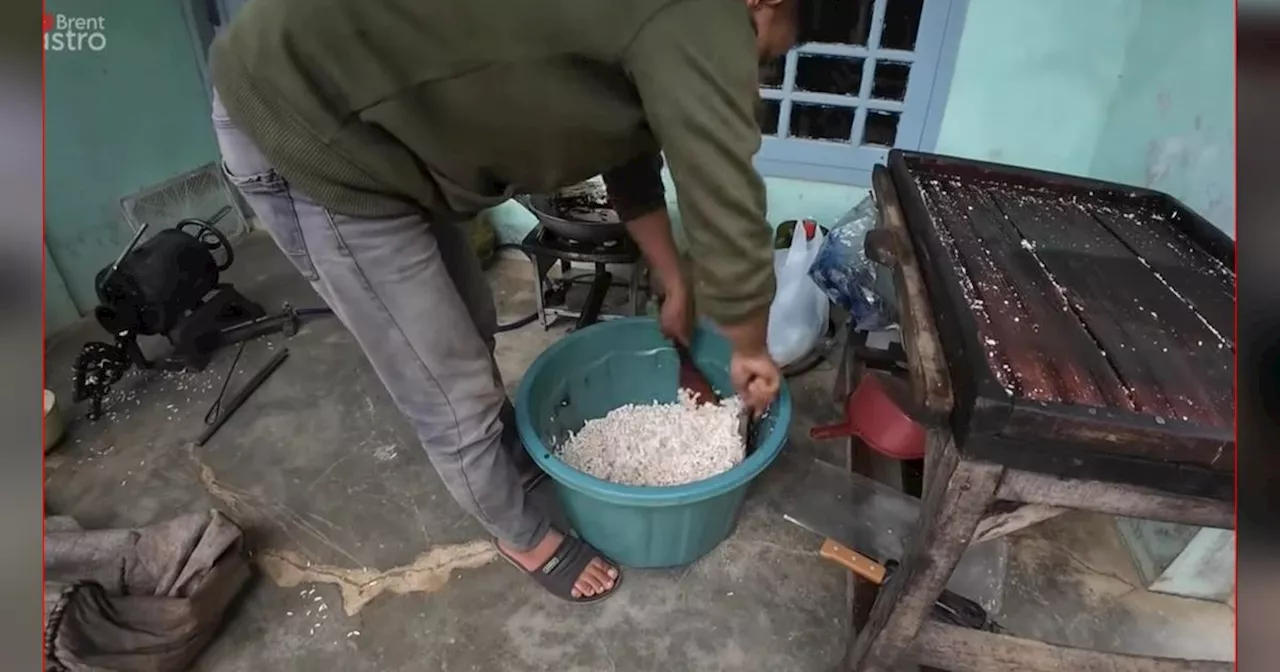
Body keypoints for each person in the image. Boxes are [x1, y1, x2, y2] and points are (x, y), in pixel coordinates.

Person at [208, 0, 797, 603]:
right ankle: (521, 536)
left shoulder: (651, 31)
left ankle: (511, 459)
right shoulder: (702, 20)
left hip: (382, 128)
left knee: (470, 324)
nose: (754, 68)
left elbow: (627, 147)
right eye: (769, 52)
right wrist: (748, 347)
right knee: (447, 386)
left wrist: (673, 279)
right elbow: (727, 213)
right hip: (305, 124)